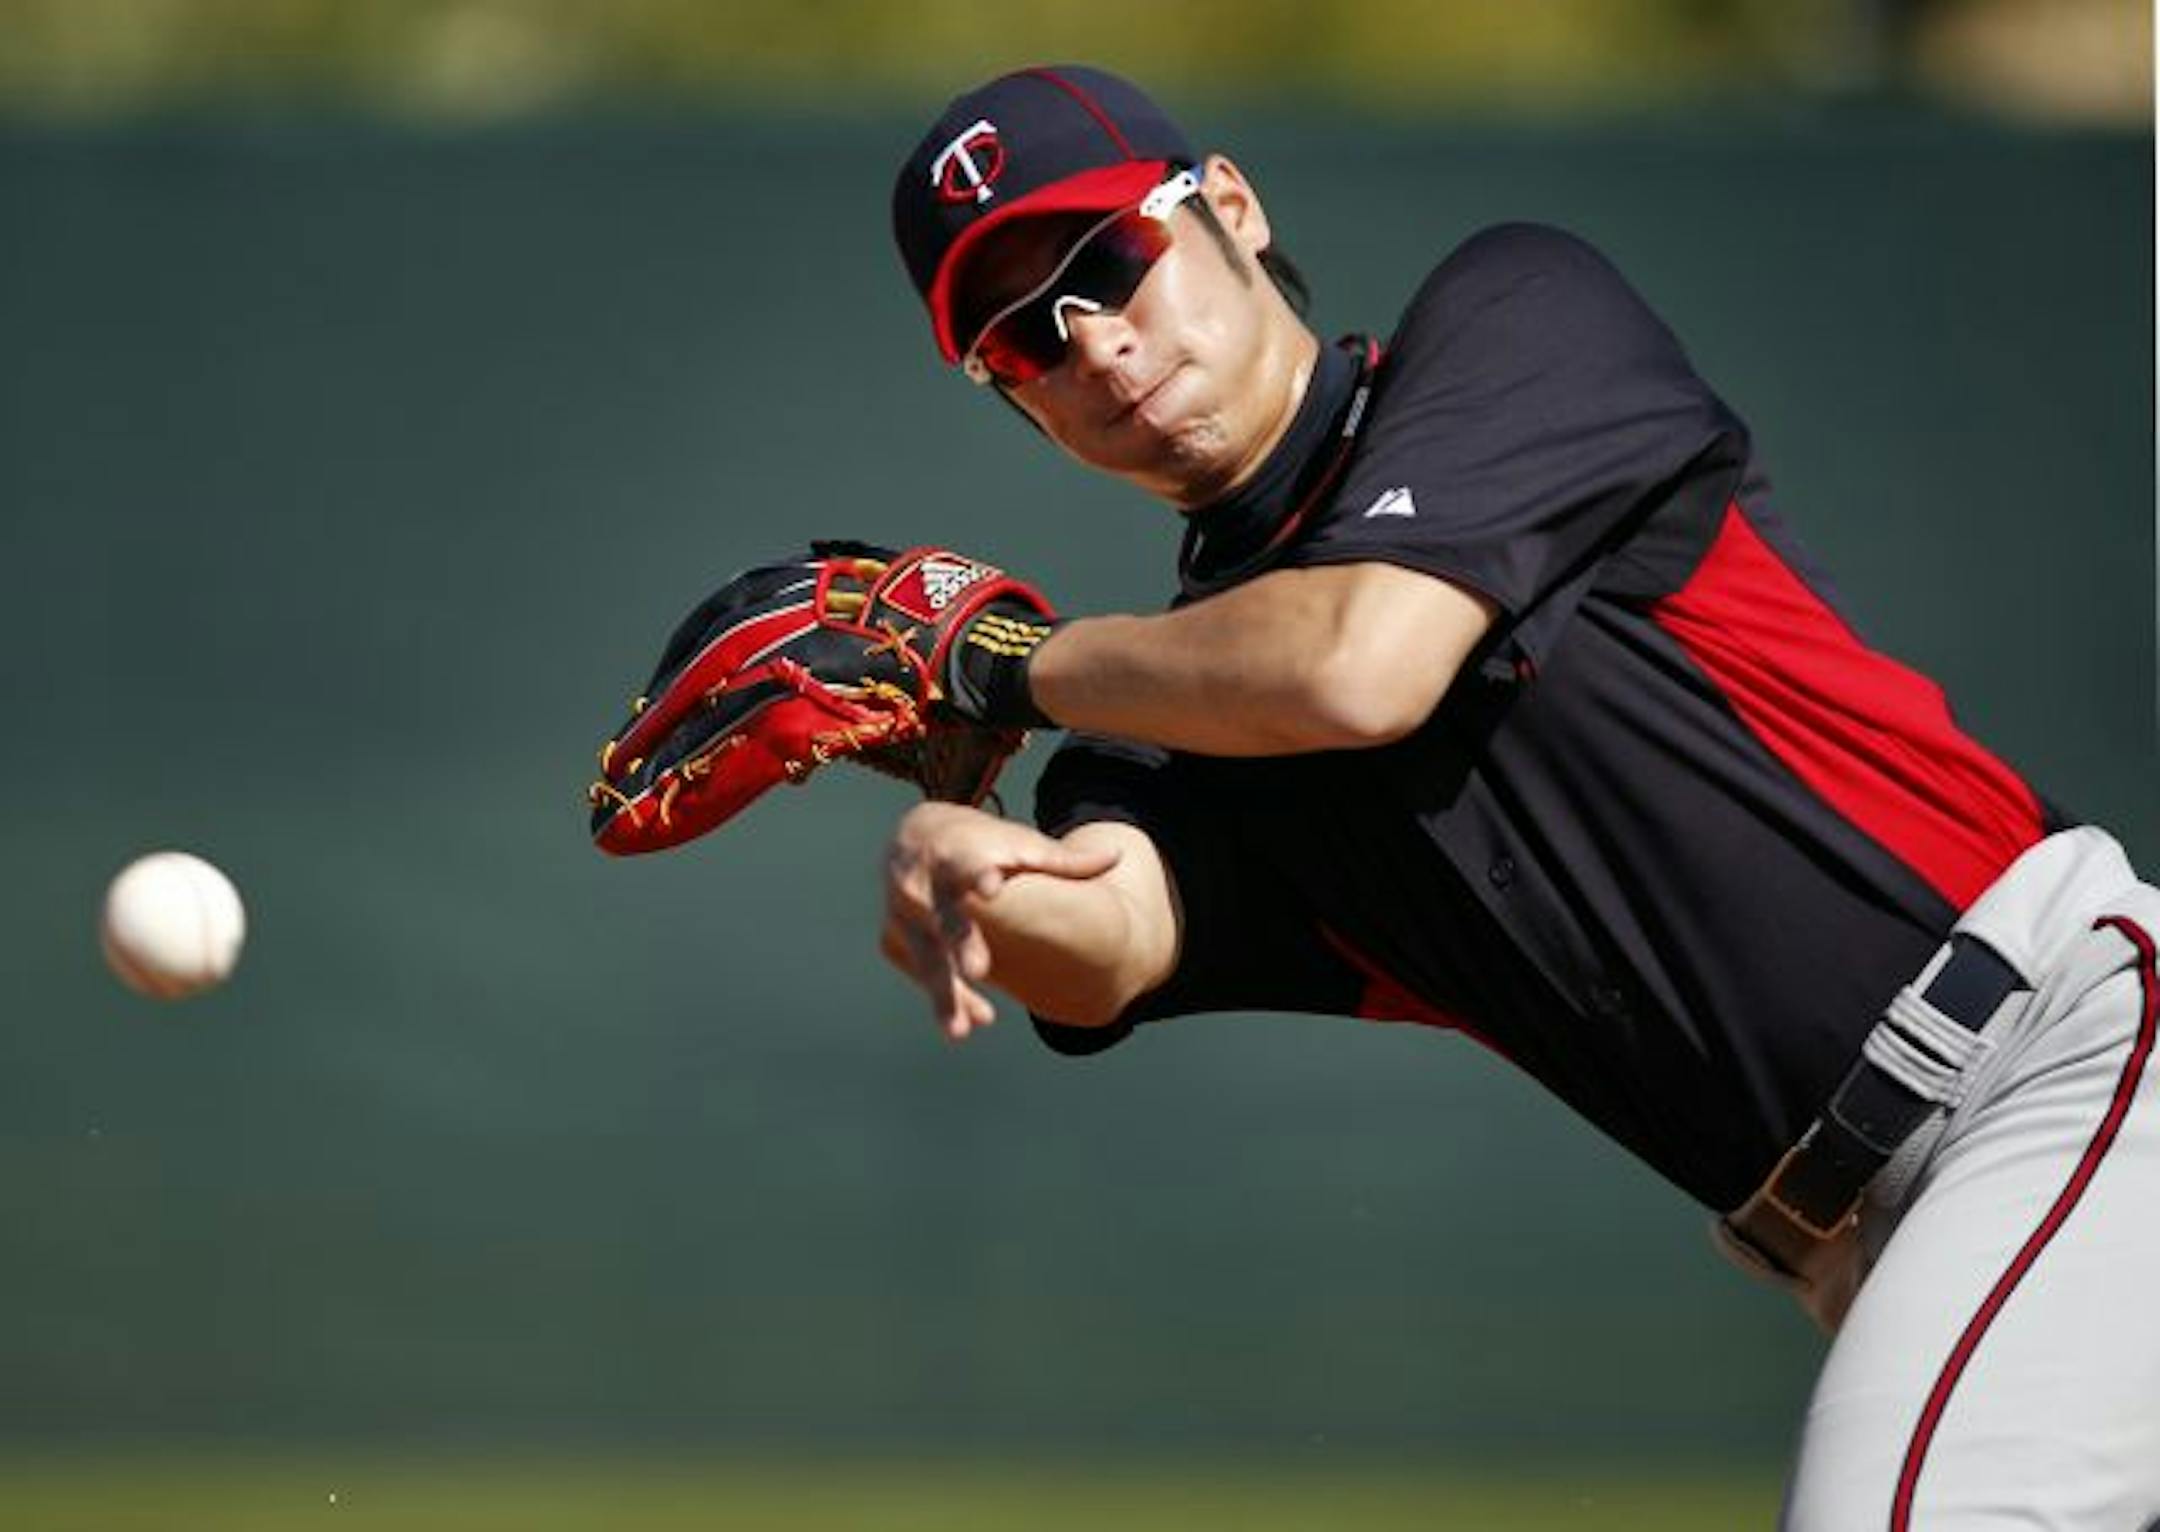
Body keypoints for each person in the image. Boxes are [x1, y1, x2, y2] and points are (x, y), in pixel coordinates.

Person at [877, 65, 2159, 1528]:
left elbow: (1356, 667)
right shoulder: (1160, 713)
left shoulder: (1514, 324)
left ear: (1229, 206)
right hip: (1885, 1239)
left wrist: (1007, 664)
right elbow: (1106, 944)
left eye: (1110, 258)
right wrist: (963, 863)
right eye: (1021, 339)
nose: (1095, 340)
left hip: (2065, 1065)